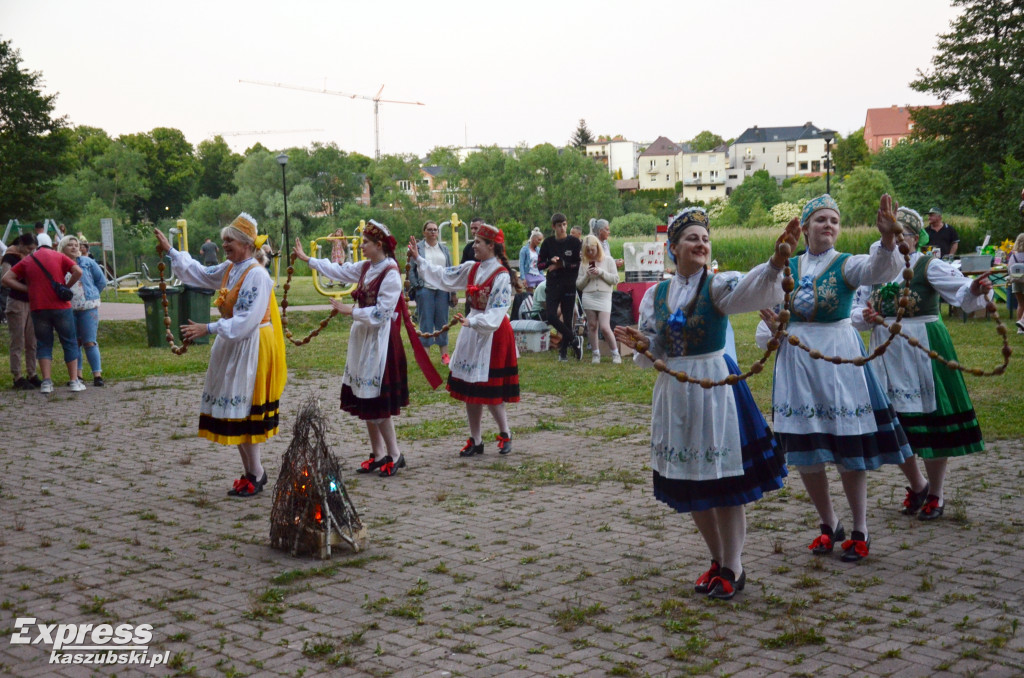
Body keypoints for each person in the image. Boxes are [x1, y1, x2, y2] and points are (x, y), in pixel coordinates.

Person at [614, 207, 799, 600]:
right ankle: (717, 560)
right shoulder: (656, 295)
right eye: (692, 238)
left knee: (723, 479)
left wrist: (774, 263)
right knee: (692, 479)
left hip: (715, 388)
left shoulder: (716, 286)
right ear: (673, 248)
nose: (701, 245)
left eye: (705, 238)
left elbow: (750, 290)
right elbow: (657, 345)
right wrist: (643, 344)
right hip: (675, 390)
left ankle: (735, 566)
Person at [758, 194, 912, 563]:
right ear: (807, 226)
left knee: (848, 447)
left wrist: (888, 240)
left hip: (839, 358)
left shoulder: (846, 265)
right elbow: (770, 321)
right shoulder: (787, 266)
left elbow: (878, 270)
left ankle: (860, 529)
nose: (829, 225)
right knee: (807, 451)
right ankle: (829, 524)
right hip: (797, 361)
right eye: (821, 220)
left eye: (834, 221)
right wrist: (774, 329)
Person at [852, 207, 991, 520]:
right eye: (893, 235)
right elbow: (855, 311)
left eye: (905, 235)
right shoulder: (875, 268)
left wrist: (975, 289)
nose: (900, 241)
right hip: (886, 353)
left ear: (916, 238)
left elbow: (962, 294)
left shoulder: (929, 265)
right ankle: (918, 485)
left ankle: (936, 494)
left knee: (931, 423)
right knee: (893, 425)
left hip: (922, 349)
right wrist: (864, 317)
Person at [154, 213, 287, 497]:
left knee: (245, 411)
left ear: (247, 244)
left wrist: (209, 327)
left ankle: (256, 473)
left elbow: (248, 320)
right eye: (224, 239)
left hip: (251, 345)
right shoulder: (231, 267)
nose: (224, 244)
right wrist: (171, 251)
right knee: (234, 410)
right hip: (233, 342)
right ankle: (253, 472)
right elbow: (201, 274)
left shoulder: (257, 275)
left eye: (230, 240)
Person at [295, 220, 441, 477]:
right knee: (364, 395)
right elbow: (339, 271)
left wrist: (350, 310)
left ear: (378, 245)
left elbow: (382, 313)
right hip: (364, 339)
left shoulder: (391, 273)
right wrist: (309, 260)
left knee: (377, 400)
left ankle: (395, 454)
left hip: (382, 342)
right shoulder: (366, 267)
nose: (361, 245)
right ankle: (378, 453)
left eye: (365, 242)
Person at [407, 223, 521, 457]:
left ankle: (505, 432)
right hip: (473, 328)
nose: (474, 246)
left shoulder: (501, 276)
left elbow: (499, 310)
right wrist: (419, 259)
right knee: (471, 386)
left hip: (493, 332)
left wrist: (475, 322)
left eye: (479, 242)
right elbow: (443, 276)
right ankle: (476, 439)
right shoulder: (472, 268)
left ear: (491, 246)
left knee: (491, 390)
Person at [1, 233, 83, 394]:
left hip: (38, 306)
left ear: (37, 246)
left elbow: (6, 279)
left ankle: (46, 381)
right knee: (69, 342)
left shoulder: (28, 260)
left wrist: (29, 289)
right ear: (51, 245)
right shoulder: (58, 256)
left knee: (43, 343)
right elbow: (78, 271)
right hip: (60, 306)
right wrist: (66, 286)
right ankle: (74, 380)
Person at [58, 235, 107, 387]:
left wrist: (92, 294)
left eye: (76, 244)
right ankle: (77, 375)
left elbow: (101, 281)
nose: (74, 247)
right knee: (74, 342)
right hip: (68, 307)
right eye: (69, 245)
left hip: (88, 307)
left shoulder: (88, 262)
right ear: (63, 248)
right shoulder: (59, 264)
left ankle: (97, 375)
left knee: (89, 341)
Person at [407, 220, 457, 366]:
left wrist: (453, 292)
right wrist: (417, 288)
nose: (433, 232)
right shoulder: (418, 248)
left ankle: (445, 355)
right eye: (429, 229)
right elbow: (410, 268)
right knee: (426, 323)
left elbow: (449, 270)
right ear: (424, 232)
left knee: (443, 323)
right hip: (425, 289)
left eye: (435, 230)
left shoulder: (444, 249)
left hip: (442, 289)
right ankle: (425, 357)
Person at [538, 212, 583, 361]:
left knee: (568, 318)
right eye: (559, 226)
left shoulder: (575, 243)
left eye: (564, 225)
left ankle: (563, 352)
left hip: (569, 285)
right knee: (551, 316)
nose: (562, 228)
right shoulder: (548, 243)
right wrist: (550, 262)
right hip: (552, 284)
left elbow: (579, 264)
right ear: (553, 227)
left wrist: (562, 265)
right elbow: (540, 265)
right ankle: (575, 340)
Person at [2, 234, 41, 389]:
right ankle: (17, 376)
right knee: (18, 340)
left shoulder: (30, 257)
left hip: (31, 303)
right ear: (20, 243)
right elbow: (4, 280)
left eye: (34, 250)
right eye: (29, 248)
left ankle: (32, 373)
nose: (31, 252)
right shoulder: (10, 257)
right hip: (17, 302)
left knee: (32, 341)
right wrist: (27, 289)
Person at [577, 234, 621, 364]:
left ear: (598, 247)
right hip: (589, 295)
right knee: (592, 325)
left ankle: (615, 353)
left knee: (605, 327)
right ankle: (596, 353)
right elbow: (579, 285)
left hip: (604, 296)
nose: (590, 253)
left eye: (592, 250)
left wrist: (601, 272)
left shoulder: (608, 260)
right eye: (588, 251)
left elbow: (615, 279)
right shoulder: (584, 263)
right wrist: (587, 276)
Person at [1008, 233, 1024, 334]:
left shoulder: (1013, 256)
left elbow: (1009, 270)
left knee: (1021, 304)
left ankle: (1020, 329)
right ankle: (1022, 321)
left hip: (1016, 282)